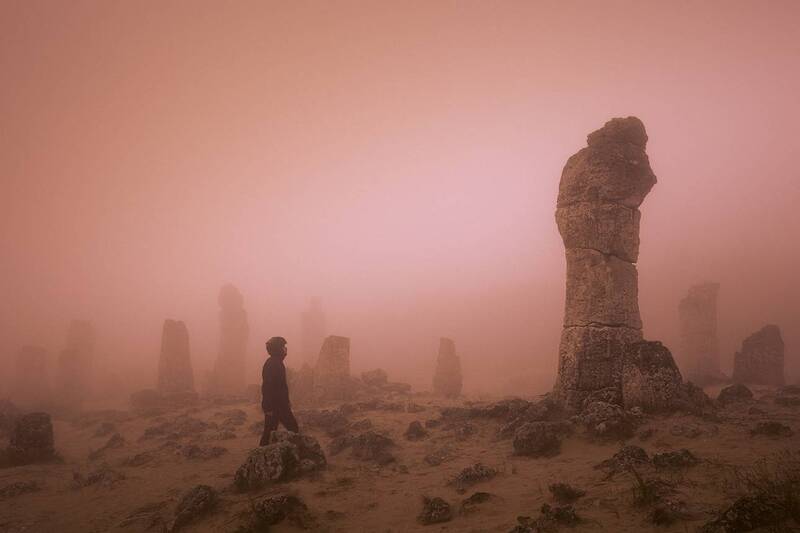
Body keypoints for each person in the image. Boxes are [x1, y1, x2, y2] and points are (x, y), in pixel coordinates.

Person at [259, 336, 299, 445]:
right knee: (292, 429)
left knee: (270, 431)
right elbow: (268, 387)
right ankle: (261, 457)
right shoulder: (273, 364)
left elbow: (279, 386)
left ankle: (262, 455)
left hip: (279, 405)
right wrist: (268, 407)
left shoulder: (276, 363)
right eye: (283, 347)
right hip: (276, 406)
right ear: (277, 349)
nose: (285, 349)